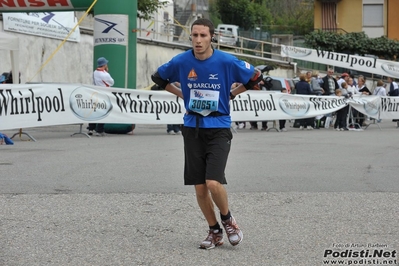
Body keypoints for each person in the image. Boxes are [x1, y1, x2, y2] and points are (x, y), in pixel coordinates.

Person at [151, 18, 263, 249]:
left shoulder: (226, 61)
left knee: (212, 182)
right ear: (190, 37)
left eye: (203, 35)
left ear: (212, 37)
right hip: (192, 127)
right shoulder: (182, 61)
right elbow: (158, 78)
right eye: (194, 35)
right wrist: (183, 95)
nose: (198, 40)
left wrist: (231, 95)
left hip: (219, 127)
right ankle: (214, 231)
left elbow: (255, 78)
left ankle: (228, 219)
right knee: (200, 186)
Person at [87, 57, 114, 136]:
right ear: (104, 65)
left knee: (94, 111)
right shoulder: (105, 74)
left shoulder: (94, 72)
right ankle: (99, 130)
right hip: (103, 94)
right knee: (103, 111)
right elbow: (112, 82)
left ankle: (91, 128)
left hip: (95, 93)